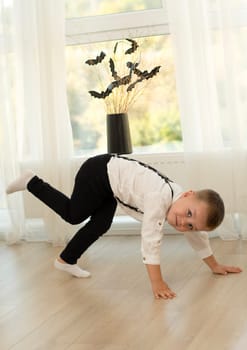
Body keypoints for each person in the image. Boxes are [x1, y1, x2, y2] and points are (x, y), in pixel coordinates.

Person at [6, 153, 242, 299]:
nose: (184, 223)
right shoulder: (159, 199)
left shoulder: (179, 201)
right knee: (73, 215)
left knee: (100, 224)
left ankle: (66, 260)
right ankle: (31, 181)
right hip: (97, 172)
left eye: (190, 225)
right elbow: (151, 241)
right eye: (188, 214)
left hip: (111, 184)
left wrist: (214, 265)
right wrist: (157, 282)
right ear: (188, 194)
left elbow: (198, 236)